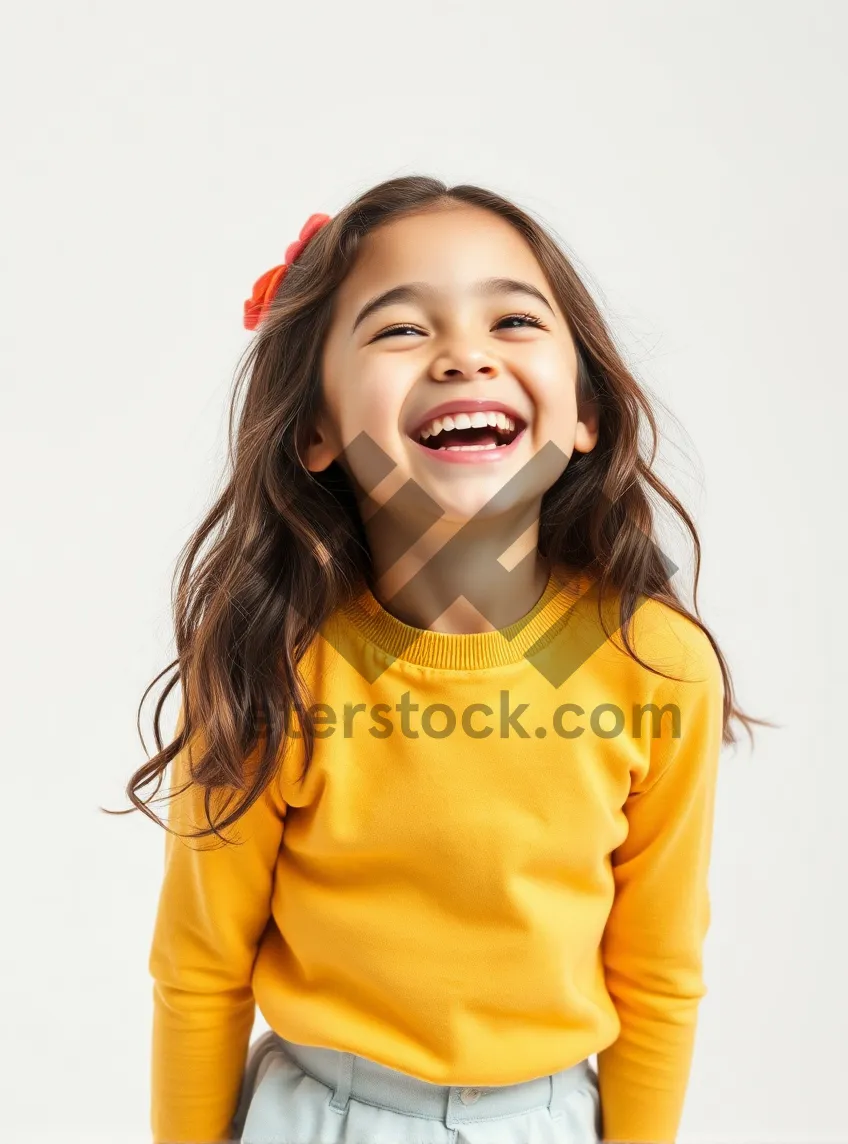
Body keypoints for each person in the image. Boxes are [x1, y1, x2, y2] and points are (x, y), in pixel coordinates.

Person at [115, 174, 768, 1144]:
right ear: (316, 430)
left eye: (512, 321)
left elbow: (660, 976)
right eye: (400, 329)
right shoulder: (275, 665)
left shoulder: (656, 668)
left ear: (583, 411)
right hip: (318, 1120)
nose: (466, 354)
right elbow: (200, 968)